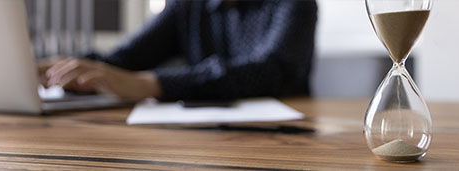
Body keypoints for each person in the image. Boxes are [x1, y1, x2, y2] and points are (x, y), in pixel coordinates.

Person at [39, 0, 318, 101]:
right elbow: (124, 61)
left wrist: (151, 84)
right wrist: (61, 67)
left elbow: (272, 71)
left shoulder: (294, 4)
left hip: (285, 139)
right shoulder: (188, 5)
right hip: (203, 143)